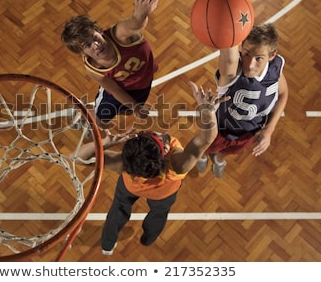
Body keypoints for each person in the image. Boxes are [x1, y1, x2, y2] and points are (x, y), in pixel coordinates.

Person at [71, 81, 228, 255]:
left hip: (129, 186)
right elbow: (206, 139)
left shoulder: (124, 163)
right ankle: (149, 238)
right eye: (158, 137)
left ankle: (107, 244)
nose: (159, 132)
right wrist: (207, 111)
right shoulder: (178, 164)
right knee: (158, 215)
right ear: (165, 153)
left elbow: (76, 157)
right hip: (164, 195)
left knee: (117, 210)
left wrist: (105, 142)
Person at [61, 0, 162, 128]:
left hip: (141, 82)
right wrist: (135, 107)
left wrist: (141, 14)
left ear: (99, 31)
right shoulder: (94, 68)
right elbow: (115, 91)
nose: (96, 45)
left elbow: (134, 23)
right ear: (82, 52)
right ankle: (86, 113)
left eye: (95, 37)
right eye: (87, 45)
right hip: (119, 88)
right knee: (102, 122)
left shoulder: (119, 35)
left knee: (126, 111)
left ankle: (91, 109)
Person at [196, 23, 289, 178]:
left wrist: (269, 129)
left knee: (227, 152)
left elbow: (283, 94)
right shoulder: (232, 71)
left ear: (272, 55)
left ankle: (219, 159)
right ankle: (203, 157)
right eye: (246, 54)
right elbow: (228, 51)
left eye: (259, 58)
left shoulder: (276, 67)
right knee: (203, 148)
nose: (250, 65)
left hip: (248, 133)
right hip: (218, 130)